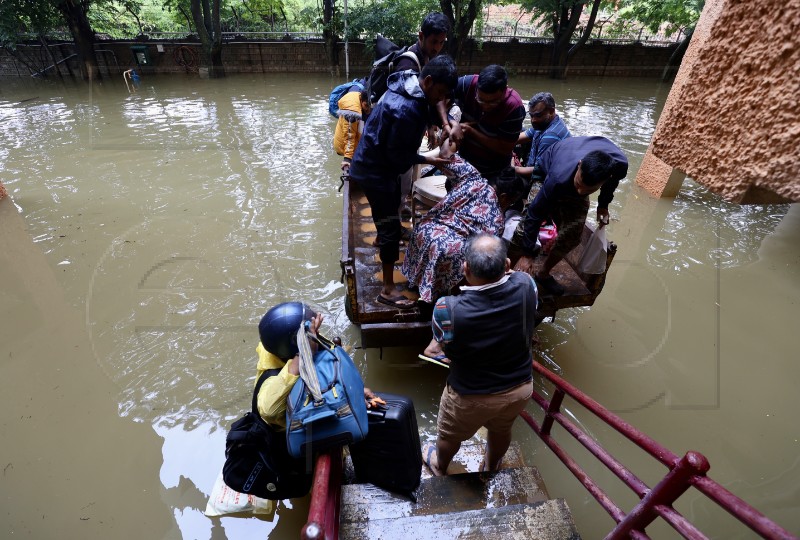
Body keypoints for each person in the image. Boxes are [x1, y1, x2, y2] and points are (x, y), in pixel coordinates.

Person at [421, 233, 537, 475]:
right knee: (501, 429)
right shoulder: (528, 285)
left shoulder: (447, 308)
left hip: (470, 395)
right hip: (520, 388)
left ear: (465, 268)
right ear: (506, 265)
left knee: (449, 435)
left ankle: (439, 465)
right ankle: (491, 466)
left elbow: (439, 346)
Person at [349, 55, 458, 310]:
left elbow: (433, 103)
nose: (440, 99)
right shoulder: (407, 111)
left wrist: (441, 122)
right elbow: (398, 160)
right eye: (440, 93)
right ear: (428, 81)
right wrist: (434, 161)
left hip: (370, 161)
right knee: (391, 230)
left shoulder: (407, 80)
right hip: (377, 171)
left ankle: (381, 237)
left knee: (388, 218)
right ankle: (387, 290)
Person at [402, 146, 527, 304]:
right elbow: (484, 251)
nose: (509, 205)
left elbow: (446, 154)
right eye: (511, 201)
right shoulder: (497, 219)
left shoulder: (472, 176)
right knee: (467, 254)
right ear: (504, 197)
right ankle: (436, 294)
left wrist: (450, 128)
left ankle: (418, 282)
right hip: (446, 248)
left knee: (441, 243)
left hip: (424, 231)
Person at [510, 136, 628, 296]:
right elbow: (534, 214)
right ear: (579, 166)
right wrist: (527, 254)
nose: (580, 193)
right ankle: (508, 270)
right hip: (547, 171)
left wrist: (603, 205)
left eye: (587, 190)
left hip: (576, 168)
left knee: (572, 236)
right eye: (579, 185)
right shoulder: (557, 177)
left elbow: (611, 184)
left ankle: (543, 273)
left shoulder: (619, 166)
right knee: (523, 230)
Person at [255, 302, 382, 429]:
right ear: (297, 347)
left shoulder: (282, 344)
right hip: (297, 434)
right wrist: (305, 352)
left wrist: (356, 388)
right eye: (314, 332)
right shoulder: (272, 378)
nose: (318, 333)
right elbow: (269, 411)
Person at [444, 64, 526, 179]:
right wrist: (451, 123)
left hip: (493, 171)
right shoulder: (467, 84)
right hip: (464, 162)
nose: (485, 107)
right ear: (477, 87)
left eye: (493, 102)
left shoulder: (514, 107)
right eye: (480, 100)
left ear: (505, 90)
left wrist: (471, 131)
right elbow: (440, 95)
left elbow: (505, 148)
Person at [514, 92, 571, 175]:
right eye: (531, 115)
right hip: (538, 162)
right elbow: (521, 136)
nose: (533, 120)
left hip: (545, 174)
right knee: (518, 132)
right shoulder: (546, 122)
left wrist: (515, 169)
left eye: (538, 115)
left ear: (551, 111)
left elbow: (539, 170)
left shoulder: (550, 136)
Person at [333, 88, 371, 175]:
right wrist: (347, 159)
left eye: (369, 106)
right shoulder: (351, 114)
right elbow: (349, 137)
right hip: (345, 145)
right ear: (361, 100)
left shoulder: (358, 100)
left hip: (353, 143)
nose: (368, 110)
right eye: (366, 105)